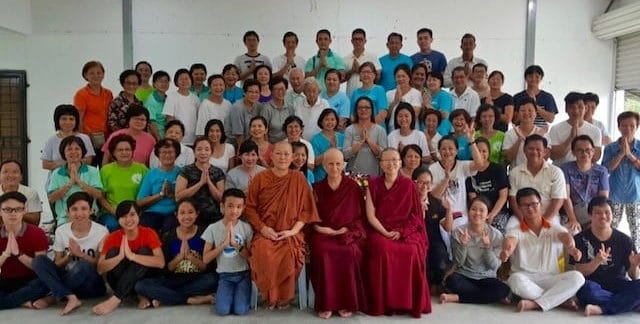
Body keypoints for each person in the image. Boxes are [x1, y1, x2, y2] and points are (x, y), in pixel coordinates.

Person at [245, 141, 319, 309]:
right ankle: (270, 296)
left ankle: (283, 297)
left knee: (290, 252)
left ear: (292, 157)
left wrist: (292, 231)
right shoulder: (260, 178)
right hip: (265, 232)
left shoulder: (298, 179)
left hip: (291, 233)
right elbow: (249, 208)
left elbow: (307, 211)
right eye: (278, 153)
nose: (282, 157)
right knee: (263, 251)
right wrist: (263, 229)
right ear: (271, 156)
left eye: (286, 154)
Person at [364, 148, 431, 317]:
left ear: (400, 163)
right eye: (386, 160)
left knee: (412, 251)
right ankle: (385, 303)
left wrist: (401, 232)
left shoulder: (408, 185)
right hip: (379, 230)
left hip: (404, 231)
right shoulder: (373, 184)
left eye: (394, 160)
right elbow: (370, 215)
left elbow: (415, 216)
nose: (391, 163)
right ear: (381, 164)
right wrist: (385, 233)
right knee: (382, 249)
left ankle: (407, 303)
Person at [500, 187, 585, 312]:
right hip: (526, 278)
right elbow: (510, 242)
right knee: (515, 280)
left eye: (534, 204)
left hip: (551, 278)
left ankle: (535, 304)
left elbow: (565, 236)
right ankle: (557, 299)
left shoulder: (554, 228)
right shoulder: (515, 231)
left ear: (541, 205)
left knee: (578, 277)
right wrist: (507, 251)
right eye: (525, 205)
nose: (530, 208)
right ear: (519, 207)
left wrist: (571, 248)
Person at [310, 149, 366, 319]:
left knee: (349, 252)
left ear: (343, 165)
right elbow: (310, 215)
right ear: (324, 166)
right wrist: (319, 229)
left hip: (346, 232)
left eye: (338, 164)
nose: (334, 167)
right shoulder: (317, 188)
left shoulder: (352, 187)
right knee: (322, 252)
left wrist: (346, 230)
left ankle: (345, 302)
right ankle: (326, 303)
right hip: (323, 232)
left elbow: (360, 216)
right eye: (330, 164)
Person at [31, 192, 108, 315]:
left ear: (91, 211)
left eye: (84, 209)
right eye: (74, 209)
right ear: (67, 213)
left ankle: (54, 296)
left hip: (91, 285)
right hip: (68, 277)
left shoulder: (101, 231)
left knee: (83, 265)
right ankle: (69, 296)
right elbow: (57, 264)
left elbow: (100, 267)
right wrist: (69, 257)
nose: (79, 213)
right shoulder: (62, 230)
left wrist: (82, 255)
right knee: (38, 260)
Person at [134, 198, 216, 308]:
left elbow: (205, 267)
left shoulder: (205, 234)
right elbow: (167, 269)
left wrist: (190, 258)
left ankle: (166, 297)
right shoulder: (168, 236)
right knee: (141, 285)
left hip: (197, 279)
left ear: (197, 214)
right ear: (176, 215)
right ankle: (190, 299)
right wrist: (180, 257)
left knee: (214, 279)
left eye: (190, 212)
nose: (186, 217)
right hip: (174, 280)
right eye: (182, 213)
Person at [92, 201, 165, 315]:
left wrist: (132, 256)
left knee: (144, 251)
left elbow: (160, 263)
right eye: (124, 216)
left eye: (132, 214)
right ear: (118, 219)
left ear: (138, 215)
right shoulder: (112, 237)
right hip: (118, 279)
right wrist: (120, 257)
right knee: (113, 252)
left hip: (142, 279)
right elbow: (100, 269)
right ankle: (138, 295)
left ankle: (116, 299)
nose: (128, 219)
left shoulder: (148, 233)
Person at [571, 197, 640, 316]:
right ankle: (628, 303)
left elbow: (634, 276)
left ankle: (602, 309)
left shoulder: (625, 240)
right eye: (598, 213)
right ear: (590, 215)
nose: (603, 216)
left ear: (613, 214)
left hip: (618, 283)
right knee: (586, 291)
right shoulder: (580, 239)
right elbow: (580, 272)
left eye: (607, 212)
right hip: (593, 285)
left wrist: (634, 266)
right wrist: (596, 261)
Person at [440, 196, 510, 304]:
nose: (477, 213)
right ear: (468, 212)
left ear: (488, 214)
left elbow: (494, 266)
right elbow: (458, 263)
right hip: (464, 276)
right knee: (452, 282)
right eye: (473, 209)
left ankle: (457, 298)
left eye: (482, 210)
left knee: (503, 289)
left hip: (486, 277)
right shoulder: (459, 231)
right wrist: (463, 245)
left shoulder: (496, 235)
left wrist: (487, 247)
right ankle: (486, 296)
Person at [202, 188, 253, 315]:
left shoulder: (246, 228)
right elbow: (205, 259)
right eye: (230, 206)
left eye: (238, 207)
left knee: (240, 310)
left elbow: (250, 257)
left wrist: (236, 245)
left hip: (243, 275)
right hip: (225, 276)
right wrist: (223, 245)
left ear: (243, 208)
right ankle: (217, 296)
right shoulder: (212, 228)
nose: (234, 210)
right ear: (222, 206)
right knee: (223, 311)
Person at [508, 135, 573, 230]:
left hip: (550, 216)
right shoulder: (515, 172)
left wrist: (542, 221)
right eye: (531, 149)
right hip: (522, 216)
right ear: (524, 150)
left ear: (545, 152)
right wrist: (524, 221)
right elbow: (513, 200)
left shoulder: (556, 172)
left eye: (538, 149)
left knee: (558, 235)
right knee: (510, 230)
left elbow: (558, 200)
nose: (534, 152)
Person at [0, 191, 49, 310]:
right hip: (5, 280)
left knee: (44, 283)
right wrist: (6, 254)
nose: (13, 214)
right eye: (7, 209)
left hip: (31, 280)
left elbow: (41, 268)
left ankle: (9, 301)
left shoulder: (37, 233)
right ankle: (20, 301)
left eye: (18, 209)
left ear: (25, 210)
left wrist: (18, 254)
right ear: (0, 211)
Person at [429, 132, 486, 231]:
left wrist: (471, 141)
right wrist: (446, 178)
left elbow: (480, 166)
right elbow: (434, 195)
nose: (447, 152)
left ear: (456, 151)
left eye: (451, 148)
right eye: (443, 149)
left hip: (461, 216)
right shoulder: (433, 168)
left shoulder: (462, 165)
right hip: (441, 215)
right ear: (439, 151)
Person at [603, 111, 640, 249]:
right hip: (615, 194)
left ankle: (635, 261)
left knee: (636, 231)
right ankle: (611, 256)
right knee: (611, 227)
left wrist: (630, 155)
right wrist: (621, 154)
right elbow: (606, 170)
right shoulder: (610, 148)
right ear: (619, 127)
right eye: (624, 125)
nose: (628, 129)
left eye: (632, 125)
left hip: (635, 195)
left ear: (637, 127)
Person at [47, 136, 103, 226]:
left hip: (89, 216)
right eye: (69, 149)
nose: (73, 152)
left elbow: (98, 194)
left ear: (82, 151)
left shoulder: (92, 171)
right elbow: (51, 198)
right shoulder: (57, 173)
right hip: (65, 218)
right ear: (63, 153)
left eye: (77, 149)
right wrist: (70, 183)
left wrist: (79, 181)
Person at [98, 134, 148, 232]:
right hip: (111, 212)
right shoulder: (105, 170)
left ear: (132, 151)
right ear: (114, 153)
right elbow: (101, 198)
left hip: (136, 212)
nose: (124, 152)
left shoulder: (142, 169)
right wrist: (115, 212)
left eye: (127, 149)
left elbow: (147, 194)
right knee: (113, 225)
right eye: (120, 150)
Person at [413, 166, 451, 292]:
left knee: (441, 260)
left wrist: (449, 210)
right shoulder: (407, 201)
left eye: (428, 183)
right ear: (414, 182)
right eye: (421, 183)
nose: (424, 186)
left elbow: (448, 227)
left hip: (433, 241)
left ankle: (436, 282)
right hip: (415, 241)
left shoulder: (435, 202)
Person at [560, 135, 609, 228]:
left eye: (588, 150)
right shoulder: (565, 168)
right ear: (573, 152)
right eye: (580, 150)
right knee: (573, 232)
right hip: (571, 213)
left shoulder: (601, 171)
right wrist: (573, 219)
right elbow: (565, 197)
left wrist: (594, 220)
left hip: (593, 213)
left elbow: (603, 198)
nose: (585, 153)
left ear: (593, 151)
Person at [175, 137, 225, 227]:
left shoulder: (218, 172)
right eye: (199, 149)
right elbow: (178, 196)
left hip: (213, 215)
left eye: (207, 149)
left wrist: (209, 182)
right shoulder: (186, 170)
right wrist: (200, 183)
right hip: (191, 215)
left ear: (211, 152)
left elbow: (221, 199)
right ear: (194, 152)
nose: (203, 153)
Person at [136, 139, 181, 233]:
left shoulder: (181, 172)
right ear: (158, 154)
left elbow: (186, 197)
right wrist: (161, 195)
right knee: (147, 227)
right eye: (163, 152)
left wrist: (172, 194)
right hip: (153, 212)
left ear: (176, 154)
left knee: (170, 227)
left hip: (174, 212)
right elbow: (140, 202)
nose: (167, 155)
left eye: (170, 152)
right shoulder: (151, 174)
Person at [465, 137, 510, 233]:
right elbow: (473, 198)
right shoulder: (468, 170)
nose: (481, 154)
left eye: (484, 151)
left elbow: (503, 196)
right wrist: (482, 216)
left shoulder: (498, 169)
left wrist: (492, 215)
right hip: (478, 212)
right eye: (478, 151)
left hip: (498, 212)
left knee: (496, 230)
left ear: (489, 152)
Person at [41, 104, 95, 181]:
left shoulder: (85, 138)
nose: (68, 122)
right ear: (57, 120)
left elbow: (88, 161)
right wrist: (68, 162)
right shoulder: (51, 140)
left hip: (82, 181)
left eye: (71, 119)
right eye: (64, 119)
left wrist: (60, 163)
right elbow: (45, 164)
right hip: (57, 182)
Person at [73, 60, 113, 163]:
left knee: (104, 167)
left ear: (103, 75)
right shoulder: (81, 94)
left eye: (99, 73)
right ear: (85, 75)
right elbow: (78, 119)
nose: (96, 76)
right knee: (90, 168)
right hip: (89, 138)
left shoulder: (108, 93)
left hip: (105, 138)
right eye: (91, 73)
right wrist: (83, 139)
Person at [549, 92, 602, 165]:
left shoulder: (595, 130)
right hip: (560, 172)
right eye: (572, 107)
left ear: (585, 108)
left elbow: (596, 157)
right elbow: (553, 156)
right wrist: (571, 137)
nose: (576, 111)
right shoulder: (555, 129)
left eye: (580, 107)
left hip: (584, 173)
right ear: (566, 109)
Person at [343, 96, 388, 176]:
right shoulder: (349, 130)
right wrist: (360, 142)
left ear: (372, 110)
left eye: (367, 107)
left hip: (374, 176)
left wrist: (369, 141)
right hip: (353, 176)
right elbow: (345, 154)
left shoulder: (380, 130)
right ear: (356, 110)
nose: (363, 110)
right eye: (360, 108)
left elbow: (384, 155)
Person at [502, 98, 548, 168]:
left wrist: (535, 137)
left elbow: (546, 157)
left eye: (530, 110)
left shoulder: (543, 133)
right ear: (517, 113)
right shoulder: (510, 134)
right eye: (523, 110)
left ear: (536, 113)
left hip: (539, 175)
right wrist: (519, 140)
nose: (526, 113)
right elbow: (508, 159)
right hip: (516, 175)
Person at [512, 65, 558, 131]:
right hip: (521, 132)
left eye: (537, 76)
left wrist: (534, 105)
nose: (533, 79)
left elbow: (550, 119)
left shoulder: (548, 97)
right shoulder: (517, 97)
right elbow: (514, 121)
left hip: (540, 134)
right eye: (530, 76)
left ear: (541, 78)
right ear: (525, 78)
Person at [163, 68, 200, 145]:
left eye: (187, 78)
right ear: (176, 81)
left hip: (193, 139)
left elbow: (198, 117)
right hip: (177, 139)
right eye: (181, 79)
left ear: (191, 80)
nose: (184, 81)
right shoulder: (172, 96)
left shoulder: (195, 98)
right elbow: (169, 118)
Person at [0, 160, 43, 225]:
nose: (10, 175)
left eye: (15, 172)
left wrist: (9, 212)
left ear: (21, 176)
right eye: (5, 172)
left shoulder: (31, 193)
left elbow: (35, 220)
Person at [343, 28, 381, 97]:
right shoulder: (346, 58)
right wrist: (352, 71)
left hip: (369, 96)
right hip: (351, 96)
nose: (358, 42)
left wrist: (360, 70)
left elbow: (378, 77)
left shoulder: (372, 56)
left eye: (360, 39)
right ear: (351, 41)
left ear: (365, 41)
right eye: (355, 39)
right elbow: (342, 79)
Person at [311, 109, 345, 182]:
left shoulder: (342, 137)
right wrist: (330, 150)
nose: (330, 122)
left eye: (332, 119)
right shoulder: (315, 139)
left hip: (339, 178)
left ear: (336, 121)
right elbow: (315, 162)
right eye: (326, 119)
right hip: (321, 178)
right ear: (321, 122)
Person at [386, 64, 422, 130]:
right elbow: (387, 116)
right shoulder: (389, 94)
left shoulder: (416, 93)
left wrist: (402, 101)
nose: (401, 79)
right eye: (398, 76)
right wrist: (395, 101)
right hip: (394, 130)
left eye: (403, 76)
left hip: (412, 131)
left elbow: (416, 114)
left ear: (409, 78)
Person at [195, 74, 232, 138]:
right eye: (215, 85)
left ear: (225, 86)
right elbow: (202, 131)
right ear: (209, 87)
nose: (218, 88)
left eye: (221, 85)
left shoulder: (228, 104)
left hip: (226, 141)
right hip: (210, 141)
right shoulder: (205, 104)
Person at [260, 76, 295, 142]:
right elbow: (263, 132)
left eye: (282, 89)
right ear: (271, 91)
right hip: (272, 145)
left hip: (287, 145)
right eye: (276, 89)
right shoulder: (266, 108)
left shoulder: (290, 108)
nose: (280, 92)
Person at [229, 79, 261, 144]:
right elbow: (238, 135)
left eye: (256, 92)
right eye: (251, 92)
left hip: (251, 143)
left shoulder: (259, 106)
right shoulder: (237, 108)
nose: (254, 94)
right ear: (244, 92)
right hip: (235, 143)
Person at [423, 71, 454, 136]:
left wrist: (428, 105)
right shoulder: (426, 96)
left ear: (440, 82)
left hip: (441, 132)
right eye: (429, 80)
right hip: (427, 132)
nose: (431, 82)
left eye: (434, 80)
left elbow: (444, 115)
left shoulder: (445, 96)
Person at [143, 70, 171, 139]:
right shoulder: (150, 100)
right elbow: (151, 123)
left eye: (166, 81)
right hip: (155, 137)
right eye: (160, 81)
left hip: (166, 135)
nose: (163, 84)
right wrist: (159, 139)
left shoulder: (168, 98)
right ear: (154, 84)